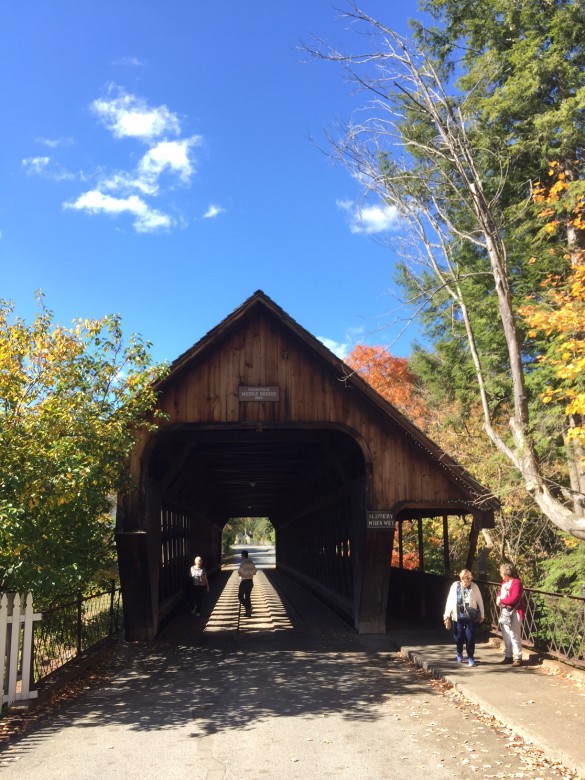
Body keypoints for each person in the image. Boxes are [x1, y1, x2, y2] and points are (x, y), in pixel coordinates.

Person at [443, 568, 485, 667]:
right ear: (461, 579)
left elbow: (480, 600)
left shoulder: (474, 587)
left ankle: (471, 657)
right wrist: (446, 615)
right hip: (458, 616)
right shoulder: (455, 586)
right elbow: (449, 601)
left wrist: (482, 614)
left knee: (470, 638)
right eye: (464, 581)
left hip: (471, 616)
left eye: (468, 581)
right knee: (458, 637)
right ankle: (459, 652)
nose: (466, 583)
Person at [496, 562, 524, 667]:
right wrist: (498, 598)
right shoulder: (504, 583)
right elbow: (500, 593)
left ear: (507, 573)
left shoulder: (516, 583)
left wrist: (501, 600)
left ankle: (518, 657)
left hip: (515, 612)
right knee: (506, 634)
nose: (501, 575)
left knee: (514, 634)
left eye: (502, 573)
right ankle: (508, 655)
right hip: (505, 612)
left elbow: (514, 598)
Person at [238, 549, 257, 617]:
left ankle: (248, 607)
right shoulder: (251, 562)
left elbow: (240, 573)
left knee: (240, 596)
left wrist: (242, 574)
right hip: (250, 582)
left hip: (244, 581)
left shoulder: (243, 563)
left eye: (241, 555)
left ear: (243, 555)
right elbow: (254, 572)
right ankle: (248, 613)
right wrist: (249, 572)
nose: (241, 557)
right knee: (247, 597)